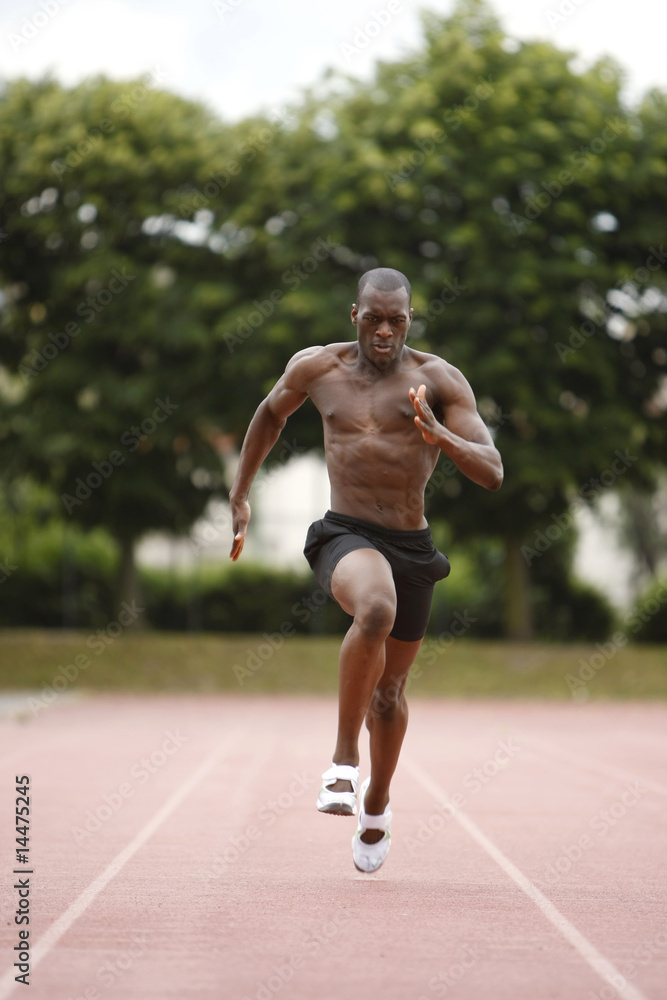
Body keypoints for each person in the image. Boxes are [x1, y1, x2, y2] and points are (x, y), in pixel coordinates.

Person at [229, 267, 503, 873]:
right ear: (354, 315)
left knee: (390, 694)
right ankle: (343, 763)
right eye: (373, 319)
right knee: (376, 609)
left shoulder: (439, 380)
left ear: (410, 320)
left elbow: (492, 471)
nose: (384, 331)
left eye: (396, 321)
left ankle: (376, 801)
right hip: (346, 534)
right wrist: (241, 492)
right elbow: (270, 414)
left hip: (411, 544)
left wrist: (441, 436)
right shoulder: (317, 368)